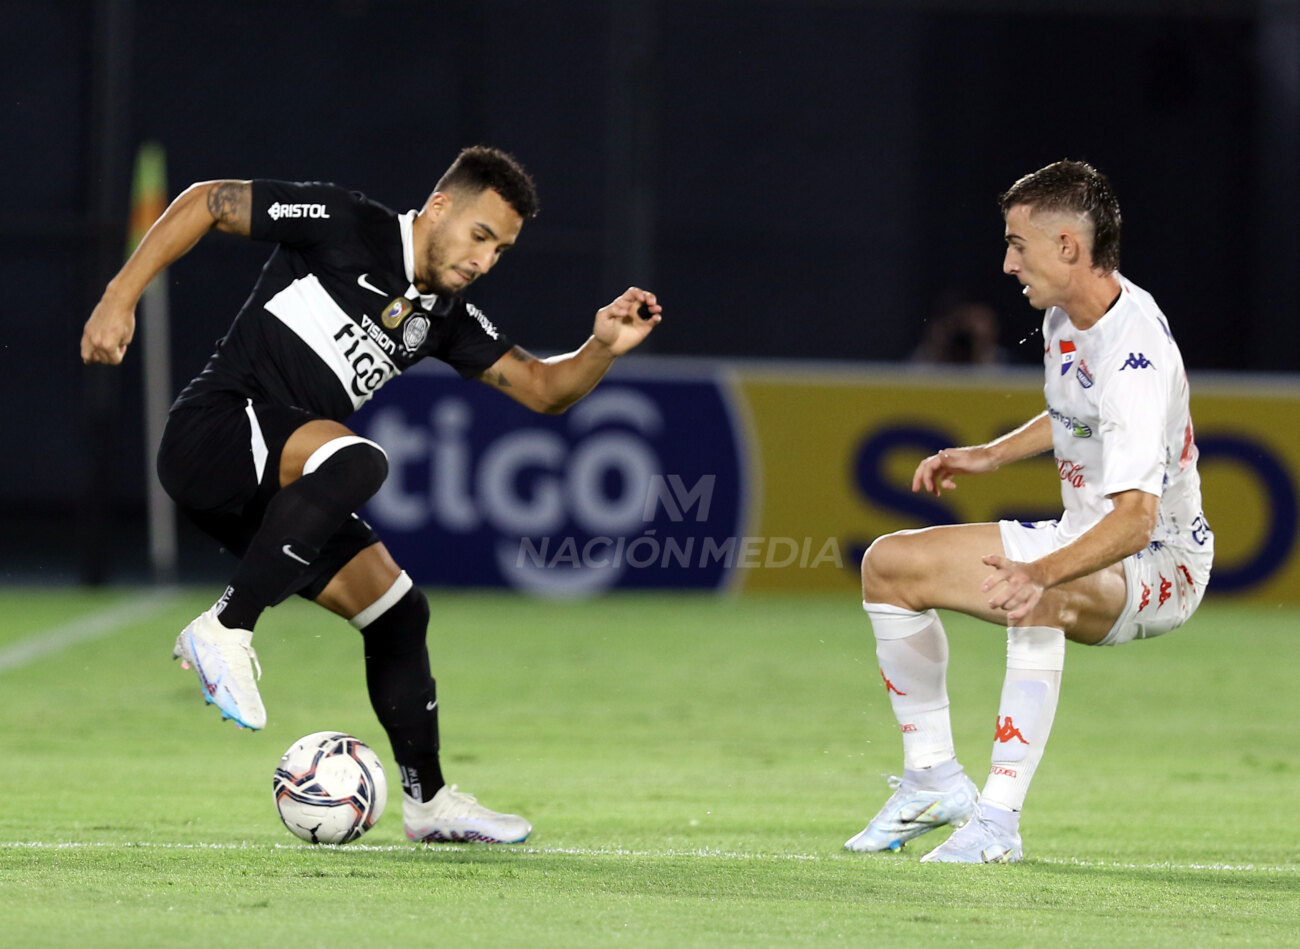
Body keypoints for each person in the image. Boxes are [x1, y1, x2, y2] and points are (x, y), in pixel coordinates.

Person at [80, 146, 662, 845]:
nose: (485, 260)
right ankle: (224, 628)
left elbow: (543, 388)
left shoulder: (443, 315)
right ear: (441, 207)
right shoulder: (343, 222)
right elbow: (208, 199)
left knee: (396, 611)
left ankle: (429, 803)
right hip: (216, 433)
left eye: (501, 250)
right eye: (481, 236)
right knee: (359, 459)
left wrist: (601, 345)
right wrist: (120, 297)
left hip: (276, 488)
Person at [844, 160, 1213, 863]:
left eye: (1019, 244)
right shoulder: (1065, 317)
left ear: (1069, 247)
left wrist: (1039, 570)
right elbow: (1072, 410)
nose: (1008, 262)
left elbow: (1135, 519)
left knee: (1039, 592)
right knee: (889, 565)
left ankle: (996, 824)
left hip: (1159, 564)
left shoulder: (1135, 354)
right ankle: (930, 779)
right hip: (1088, 534)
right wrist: (988, 454)